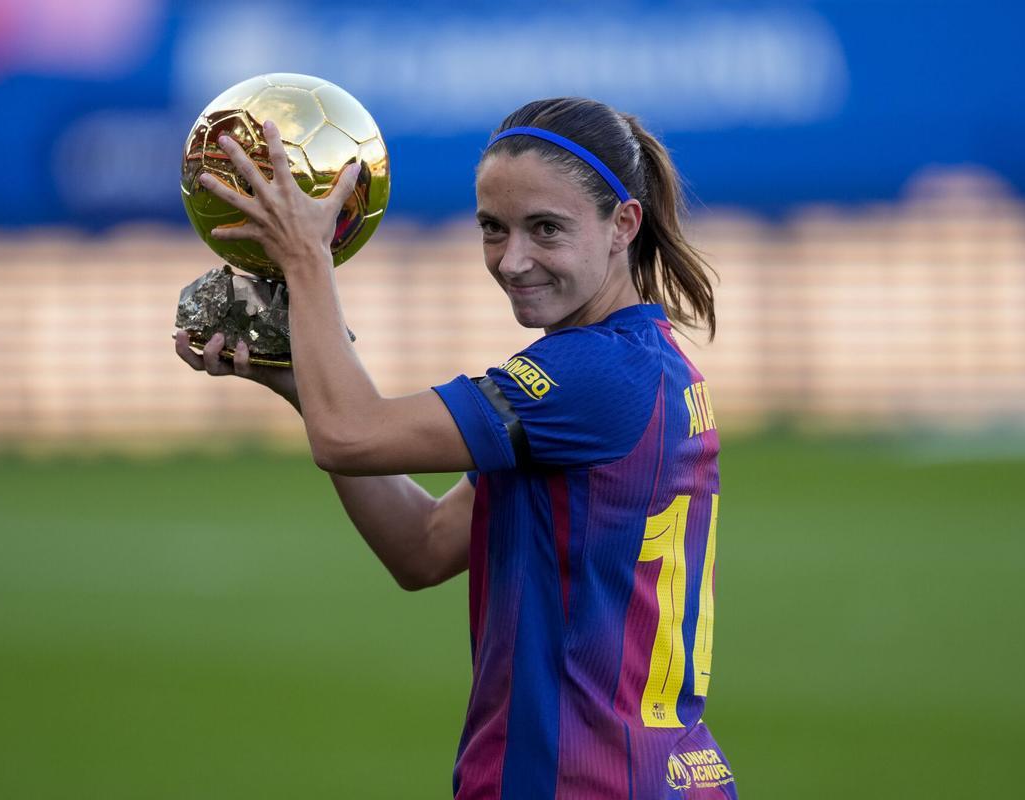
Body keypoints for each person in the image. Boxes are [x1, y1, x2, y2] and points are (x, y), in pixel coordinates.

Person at [176, 97, 736, 799]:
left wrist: (305, 257)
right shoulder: (633, 365)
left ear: (623, 224)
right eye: (492, 229)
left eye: (546, 229)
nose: (513, 259)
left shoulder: (593, 376)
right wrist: (297, 382)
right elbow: (423, 544)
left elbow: (351, 433)